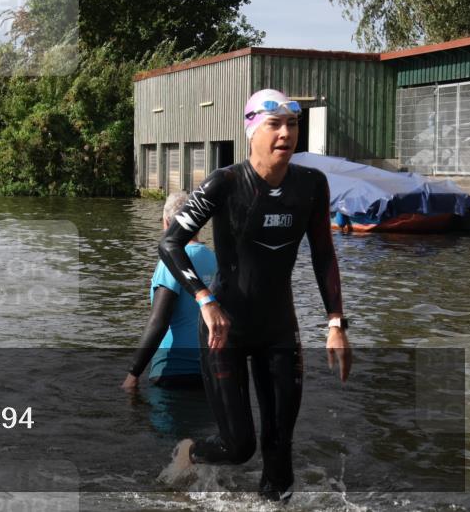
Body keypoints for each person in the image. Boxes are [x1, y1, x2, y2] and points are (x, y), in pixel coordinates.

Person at [158, 88, 351, 502]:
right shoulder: (224, 184)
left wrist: (336, 323)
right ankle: (191, 452)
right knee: (238, 446)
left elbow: (323, 254)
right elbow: (170, 242)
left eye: (293, 124)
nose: (286, 133)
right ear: (251, 131)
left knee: (280, 451)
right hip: (225, 331)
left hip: (279, 329)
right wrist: (205, 299)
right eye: (275, 124)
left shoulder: (312, 185)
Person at [123, 192, 217, 392]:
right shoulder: (215, 260)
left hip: (172, 370)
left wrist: (133, 374)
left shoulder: (170, 263)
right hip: (210, 371)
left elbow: (159, 321)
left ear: (167, 222)